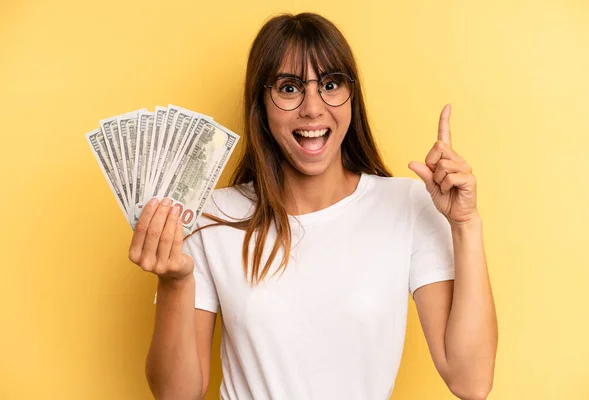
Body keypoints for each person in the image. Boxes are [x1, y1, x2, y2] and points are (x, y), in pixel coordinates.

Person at [129, 12, 498, 400]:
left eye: (330, 84)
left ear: (350, 95)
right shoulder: (212, 217)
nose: (313, 108)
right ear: (261, 105)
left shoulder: (406, 205)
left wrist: (465, 224)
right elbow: (176, 396)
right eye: (289, 88)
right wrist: (174, 283)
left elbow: (470, 382)